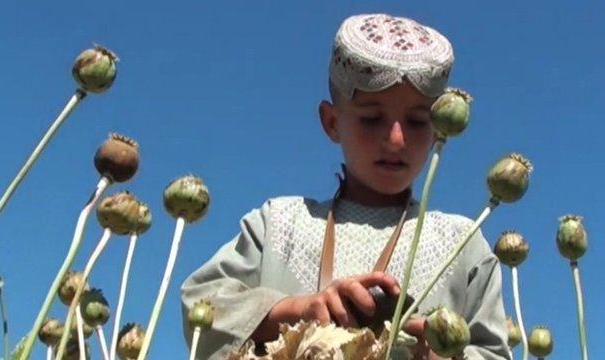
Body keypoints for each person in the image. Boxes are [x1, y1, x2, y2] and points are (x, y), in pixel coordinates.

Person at [181, 13, 510, 360]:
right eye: (371, 118)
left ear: (440, 129)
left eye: (417, 121)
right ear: (332, 122)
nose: (396, 139)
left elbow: (494, 353)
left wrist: (438, 354)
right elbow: (199, 306)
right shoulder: (278, 224)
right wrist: (299, 310)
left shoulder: (461, 244)